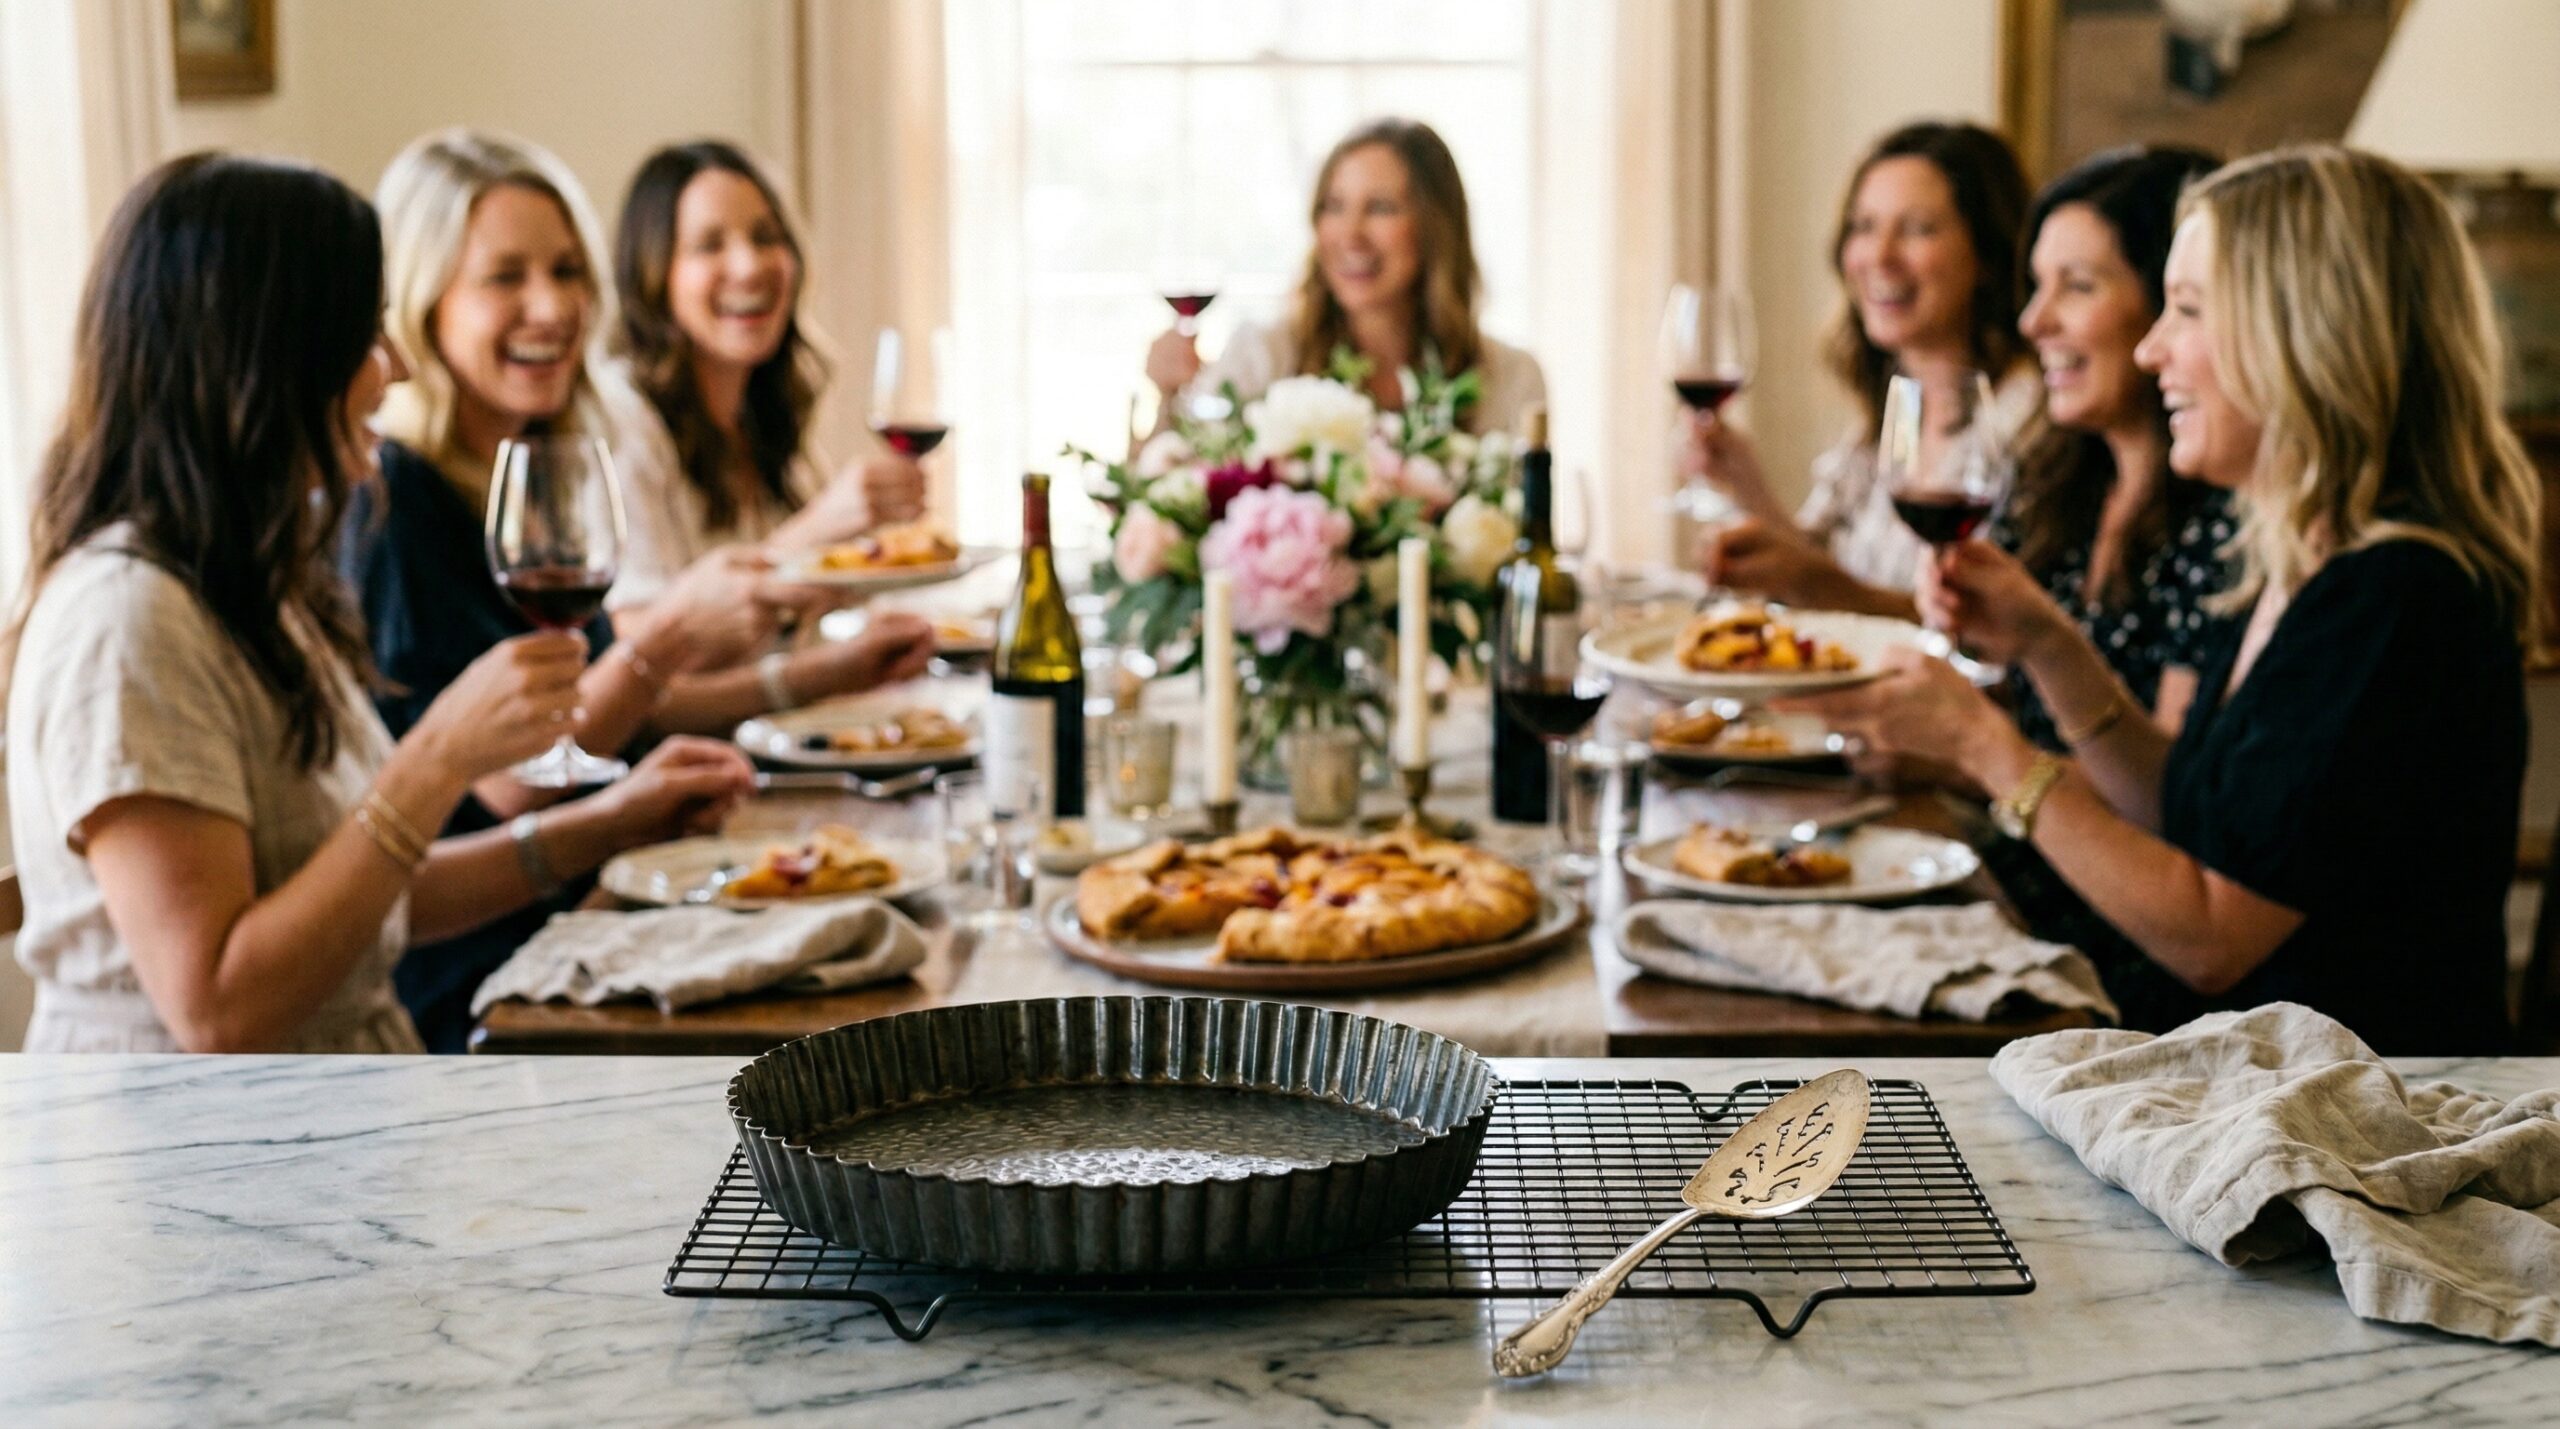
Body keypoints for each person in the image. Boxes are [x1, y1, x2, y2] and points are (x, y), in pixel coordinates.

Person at [1785, 146, 2538, 1052]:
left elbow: (2211, 937)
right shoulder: (2294, 560)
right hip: (2236, 1076)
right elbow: (2185, 813)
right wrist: (2047, 643)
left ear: (2304, 328)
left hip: (2346, 1116)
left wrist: (1988, 751)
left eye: (2186, 311)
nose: (2152, 350)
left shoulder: (2394, 599)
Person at [5, 153, 751, 1053]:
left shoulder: (250, 586)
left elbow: (369, 899)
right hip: (197, 1165)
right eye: (364, 334)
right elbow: (217, 1008)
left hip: (347, 1114)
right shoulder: (127, 619)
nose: (395, 367)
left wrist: (608, 821)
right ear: (266, 357)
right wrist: (437, 757)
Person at [351, 130, 933, 1050]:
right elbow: (511, 785)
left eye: (567, 271)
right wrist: (661, 647)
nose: (551, 307)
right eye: (505, 278)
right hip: (486, 978)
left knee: (906, 946)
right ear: (425, 302)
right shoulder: (402, 501)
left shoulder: (521, 467)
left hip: (580, 900)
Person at [1683, 121, 2035, 618]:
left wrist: (1811, 582)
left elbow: (1988, 634)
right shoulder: (1887, 413)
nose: (1880, 256)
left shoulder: (2025, 419)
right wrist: (1747, 484)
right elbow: (1818, 568)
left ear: (1988, 257)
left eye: (1917, 229)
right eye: (1864, 226)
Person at [607, 139, 925, 608]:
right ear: (654, 274)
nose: (750, 266)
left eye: (766, 237)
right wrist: (820, 527)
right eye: (709, 245)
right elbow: (638, 637)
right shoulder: (621, 418)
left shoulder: (765, 414)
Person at [1986, 145, 2234, 746]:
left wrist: (1964, 759)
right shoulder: (2049, 480)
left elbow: (2172, 800)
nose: (2033, 321)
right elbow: (1998, 688)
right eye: (2037, 285)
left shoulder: (2224, 518)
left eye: (2077, 286)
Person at [1144, 116, 1545, 434]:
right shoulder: (1263, 357)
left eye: (1381, 208)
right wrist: (1166, 396)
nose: (1350, 235)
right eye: (1334, 206)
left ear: (1435, 227)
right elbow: (1162, 501)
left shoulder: (1512, 379)